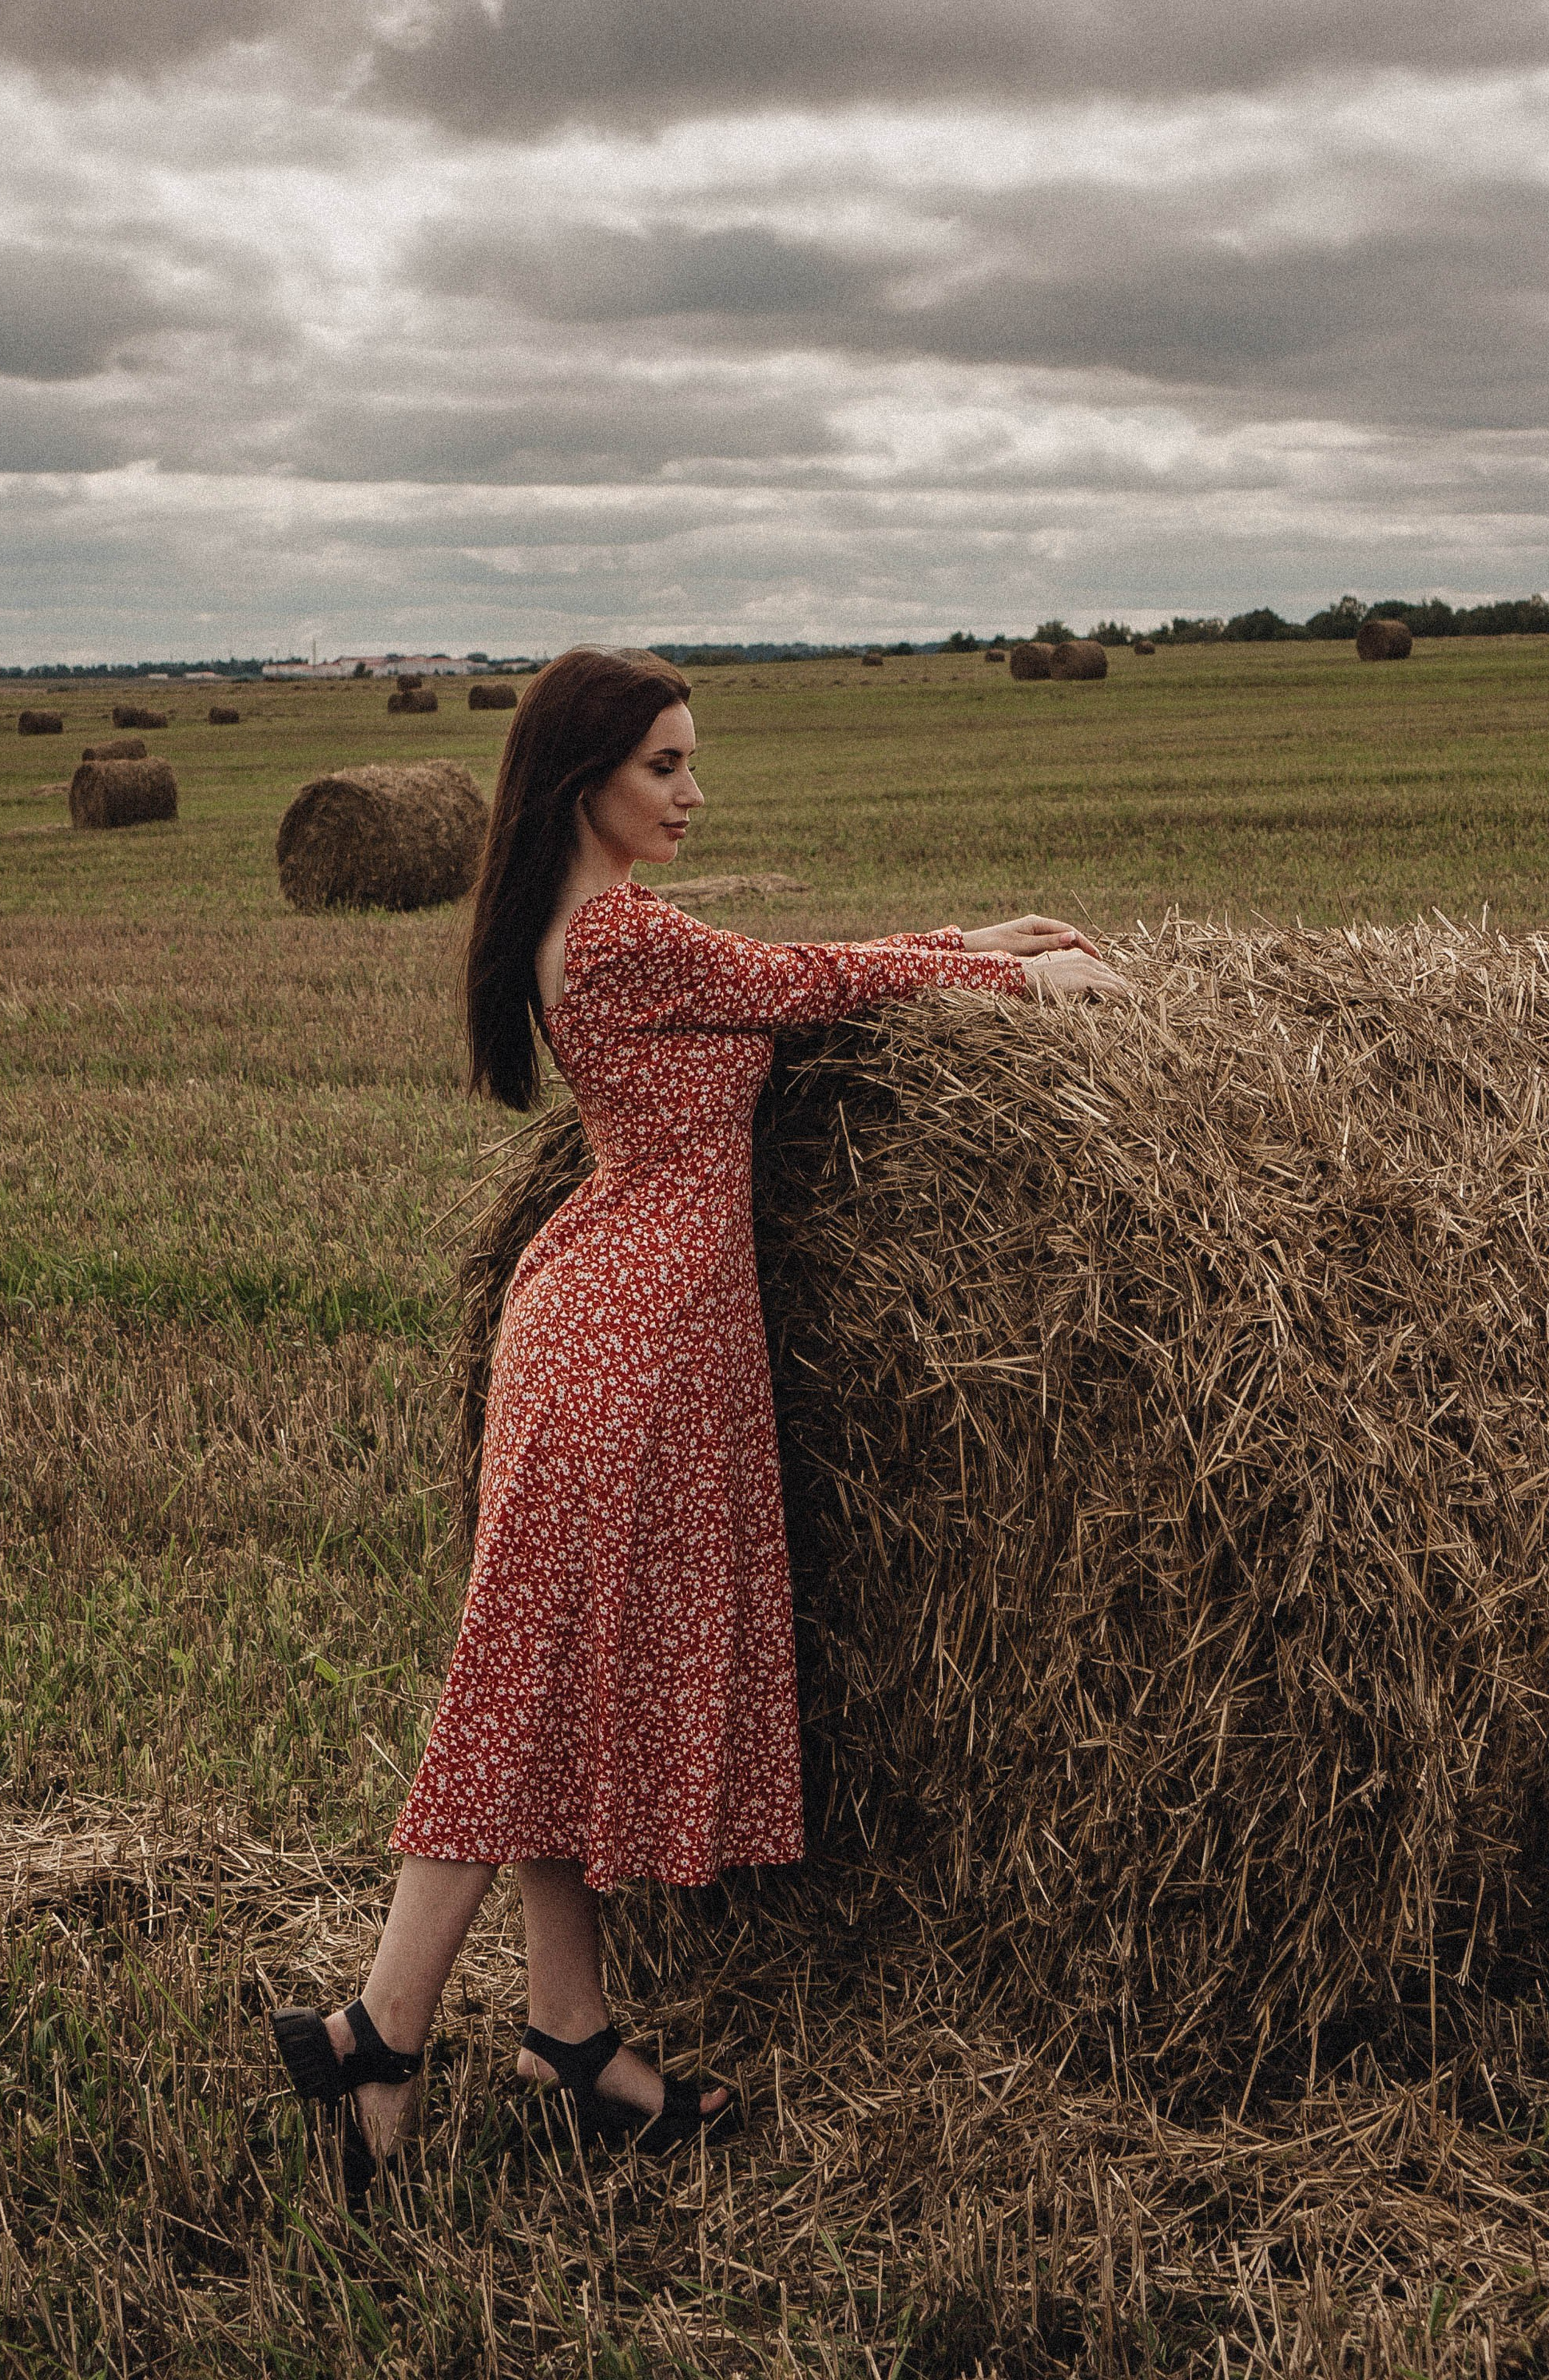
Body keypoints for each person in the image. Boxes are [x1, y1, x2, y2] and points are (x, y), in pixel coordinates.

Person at [275, 646, 1126, 2187]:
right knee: (518, 1696)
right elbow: (803, 985)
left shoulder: (597, 928)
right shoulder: (613, 941)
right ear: (583, 777)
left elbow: (792, 969)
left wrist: (966, 937)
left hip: (614, 1327)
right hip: (625, 1348)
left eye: (691, 761)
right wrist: (1008, 975)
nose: (692, 790)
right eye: (664, 765)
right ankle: (377, 2033)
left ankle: (571, 2036)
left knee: (555, 1687)